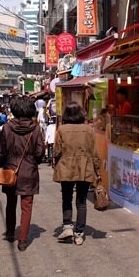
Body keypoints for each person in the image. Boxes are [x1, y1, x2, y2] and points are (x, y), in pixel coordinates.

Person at [0, 97, 46, 252]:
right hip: (29, 169)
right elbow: (40, 152)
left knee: (11, 203)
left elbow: (1, 151)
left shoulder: (6, 128)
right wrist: (34, 162)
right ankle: (23, 240)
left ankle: (11, 232)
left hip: (11, 168)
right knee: (27, 206)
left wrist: (2, 163)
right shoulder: (36, 128)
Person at [52, 101, 101, 246]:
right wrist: (97, 170)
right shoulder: (89, 130)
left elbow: (56, 151)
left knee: (66, 198)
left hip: (66, 166)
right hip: (85, 167)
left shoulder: (61, 129)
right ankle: (79, 233)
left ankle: (67, 226)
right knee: (82, 201)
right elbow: (94, 152)